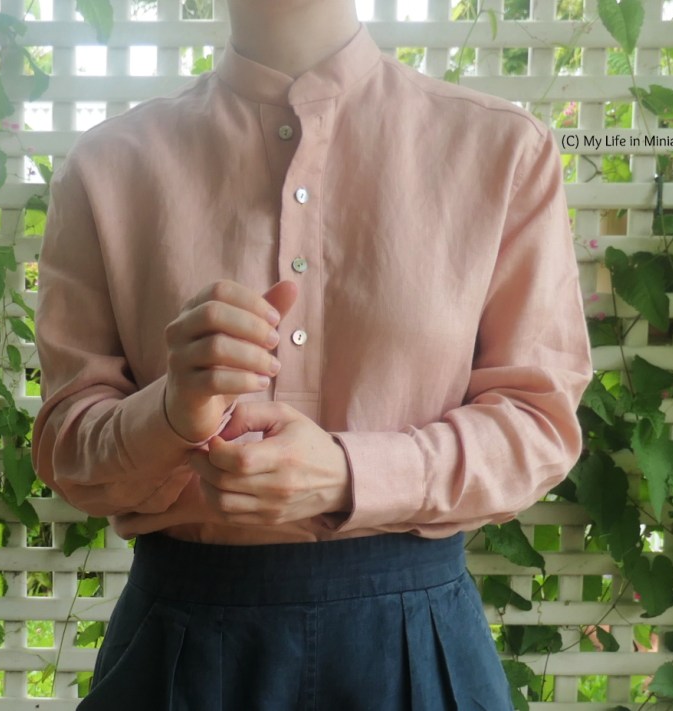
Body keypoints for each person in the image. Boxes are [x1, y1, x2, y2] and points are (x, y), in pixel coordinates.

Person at [31, 0, 592, 708]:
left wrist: (352, 473)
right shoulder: (109, 167)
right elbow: (67, 447)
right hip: (183, 645)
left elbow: (538, 425)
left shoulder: (501, 150)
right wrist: (171, 414)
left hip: (415, 645)